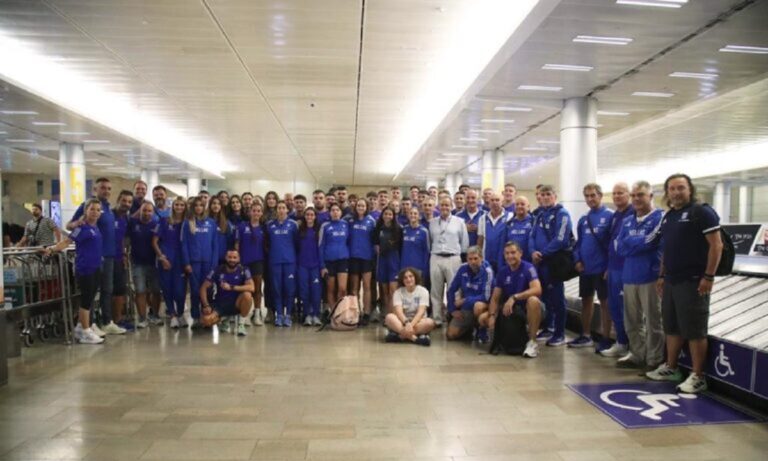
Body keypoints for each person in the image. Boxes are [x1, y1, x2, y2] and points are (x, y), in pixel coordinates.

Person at [646, 174, 722, 394]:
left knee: (694, 329)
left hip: (693, 281)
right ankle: (671, 367)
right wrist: (662, 276)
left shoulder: (702, 213)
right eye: (672, 189)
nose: (676, 192)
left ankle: (698, 376)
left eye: (681, 188)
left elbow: (716, 246)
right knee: (672, 326)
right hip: (671, 280)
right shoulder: (669, 216)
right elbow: (667, 249)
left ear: (690, 190)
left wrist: (708, 276)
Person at [616, 181, 664, 370]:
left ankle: (654, 359)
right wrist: (636, 243)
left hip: (650, 276)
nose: (636, 199)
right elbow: (619, 247)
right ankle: (637, 354)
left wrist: (631, 241)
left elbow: (651, 242)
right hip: (629, 277)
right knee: (632, 321)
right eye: (634, 195)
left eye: (641, 195)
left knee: (653, 321)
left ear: (650, 196)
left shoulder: (660, 218)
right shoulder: (628, 220)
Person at [45, 199, 105, 344]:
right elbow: (67, 242)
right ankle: (85, 331)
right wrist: (51, 249)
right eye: (92, 209)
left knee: (90, 299)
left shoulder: (96, 228)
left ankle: (80, 326)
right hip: (85, 268)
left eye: (98, 210)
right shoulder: (81, 228)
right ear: (86, 211)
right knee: (86, 300)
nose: (95, 212)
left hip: (96, 267)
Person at [68, 177, 116, 337]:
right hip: (89, 262)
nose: (106, 191)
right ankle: (88, 325)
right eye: (103, 187)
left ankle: (100, 322)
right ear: (95, 189)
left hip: (106, 256)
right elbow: (70, 227)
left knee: (104, 290)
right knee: (89, 295)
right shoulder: (86, 206)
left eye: (109, 188)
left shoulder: (107, 208)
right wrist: (77, 224)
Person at [569, 183, 613, 349]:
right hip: (586, 269)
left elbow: (613, 244)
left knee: (605, 303)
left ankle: (606, 338)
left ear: (600, 196)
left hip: (602, 269)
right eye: (587, 196)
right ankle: (586, 335)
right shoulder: (584, 219)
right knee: (586, 301)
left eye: (593, 195)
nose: (590, 199)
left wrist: (610, 266)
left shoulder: (610, 216)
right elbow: (579, 244)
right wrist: (577, 260)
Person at [529, 184, 573, 347]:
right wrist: (533, 252)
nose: (545, 197)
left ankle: (560, 333)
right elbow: (532, 236)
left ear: (555, 196)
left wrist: (543, 253)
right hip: (540, 264)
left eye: (548, 194)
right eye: (543, 194)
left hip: (554, 263)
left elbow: (561, 239)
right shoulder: (540, 214)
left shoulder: (562, 214)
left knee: (557, 299)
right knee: (546, 297)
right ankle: (549, 327)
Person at [484, 241, 544, 359]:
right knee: (483, 318)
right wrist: (492, 316)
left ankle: (532, 342)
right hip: (514, 311)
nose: (510, 256)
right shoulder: (503, 272)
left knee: (533, 300)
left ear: (520, 253)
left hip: (532, 309)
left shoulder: (528, 268)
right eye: (507, 253)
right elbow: (495, 298)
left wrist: (514, 297)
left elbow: (537, 290)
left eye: (513, 252)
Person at [600, 183, 633, 358]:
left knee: (626, 309)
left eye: (621, 193)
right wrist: (608, 266)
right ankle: (621, 342)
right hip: (613, 268)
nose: (617, 196)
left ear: (629, 194)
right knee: (614, 307)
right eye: (614, 193)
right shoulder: (616, 216)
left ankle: (633, 346)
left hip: (626, 269)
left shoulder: (633, 214)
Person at [429, 197, 469, 326]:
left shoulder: (459, 222)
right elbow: (430, 240)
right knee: (436, 290)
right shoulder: (432, 222)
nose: (444, 207)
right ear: (438, 207)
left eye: (447, 205)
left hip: (453, 257)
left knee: (454, 290)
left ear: (451, 206)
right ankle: (437, 318)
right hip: (436, 257)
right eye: (442, 205)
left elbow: (464, 242)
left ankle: (453, 317)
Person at [181, 196, 219, 327]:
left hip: (208, 263)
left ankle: (207, 316)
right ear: (192, 207)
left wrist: (214, 264)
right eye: (196, 205)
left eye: (201, 205)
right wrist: (186, 262)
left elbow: (215, 245)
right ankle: (195, 317)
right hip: (194, 263)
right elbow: (184, 244)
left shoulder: (211, 223)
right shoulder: (188, 223)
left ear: (204, 207)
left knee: (208, 291)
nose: (198, 208)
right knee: (195, 291)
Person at [200, 250, 254, 337]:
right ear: (225, 258)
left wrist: (232, 287)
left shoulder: (244, 270)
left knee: (247, 295)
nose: (232, 260)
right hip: (221, 304)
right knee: (205, 321)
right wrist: (206, 305)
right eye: (229, 257)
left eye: (235, 257)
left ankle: (241, 324)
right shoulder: (217, 270)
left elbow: (252, 287)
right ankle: (224, 319)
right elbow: (203, 287)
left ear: (239, 259)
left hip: (236, 303)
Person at [153, 197, 188, 329]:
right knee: (167, 288)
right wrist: (162, 258)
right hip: (166, 259)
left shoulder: (187, 223)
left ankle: (180, 313)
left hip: (181, 260)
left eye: (182, 205)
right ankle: (172, 315)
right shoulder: (164, 221)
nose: (179, 207)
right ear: (172, 206)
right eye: (176, 205)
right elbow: (154, 242)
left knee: (180, 291)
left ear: (185, 207)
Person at [445, 246, 493, 341]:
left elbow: (486, 296)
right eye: (470, 259)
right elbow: (451, 289)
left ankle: (481, 330)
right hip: (467, 308)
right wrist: (452, 309)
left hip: (484, 306)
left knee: (478, 306)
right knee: (450, 335)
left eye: (475, 258)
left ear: (481, 258)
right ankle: (468, 329)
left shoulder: (488, 271)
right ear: (467, 259)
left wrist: (465, 300)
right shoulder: (462, 269)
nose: (473, 262)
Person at [266, 201, 299, 327]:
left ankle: (288, 314)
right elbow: (267, 243)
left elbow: (297, 242)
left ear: (287, 210)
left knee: (289, 289)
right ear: (276, 210)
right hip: (275, 261)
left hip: (290, 261)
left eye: (283, 208)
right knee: (277, 289)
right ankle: (279, 314)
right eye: (279, 208)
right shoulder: (270, 225)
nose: (281, 210)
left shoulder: (293, 224)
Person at [129, 201, 162, 328]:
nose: (147, 213)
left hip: (154, 263)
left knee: (156, 290)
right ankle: (142, 318)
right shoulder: (132, 223)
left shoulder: (157, 224)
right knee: (140, 291)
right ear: (140, 211)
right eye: (144, 210)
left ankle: (155, 315)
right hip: (137, 263)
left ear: (153, 213)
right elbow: (124, 239)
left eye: (149, 211)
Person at [384, 267, 435, 346]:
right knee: (389, 317)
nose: (408, 279)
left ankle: (400, 336)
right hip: (402, 321)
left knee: (430, 323)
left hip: (418, 321)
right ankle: (415, 338)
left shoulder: (423, 291)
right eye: (405, 278)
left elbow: (421, 312)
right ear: (402, 280)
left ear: (415, 278)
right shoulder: (398, 292)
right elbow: (399, 312)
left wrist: (411, 325)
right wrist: (407, 323)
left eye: (411, 276)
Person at [235, 203, 267, 326]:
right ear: (250, 212)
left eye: (259, 211)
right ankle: (244, 314)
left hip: (258, 261)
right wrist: (237, 261)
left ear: (261, 213)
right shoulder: (242, 226)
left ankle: (257, 314)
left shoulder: (263, 228)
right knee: (245, 289)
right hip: (244, 262)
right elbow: (237, 244)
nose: (256, 213)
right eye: (254, 210)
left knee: (257, 289)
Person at [347, 199, 376, 325]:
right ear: (355, 207)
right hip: (353, 257)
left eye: (363, 205)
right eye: (359, 205)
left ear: (366, 207)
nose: (360, 207)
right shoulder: (350, 221)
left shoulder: (371, 221)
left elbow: (375, 239)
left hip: (367, 258)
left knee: (367, 286)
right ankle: (356, 312)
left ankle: (367, 313)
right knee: (354, 288)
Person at [319, 203, 350, 312]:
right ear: (330, 212)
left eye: (337, 210)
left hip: (343, 261)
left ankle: (340, 312)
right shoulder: (325, 226)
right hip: (329, 262)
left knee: (342, 289)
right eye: (333, 210)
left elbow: (349, 241)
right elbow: (321, 246)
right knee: (330, 289)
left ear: (341, 212)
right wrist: (322, 266)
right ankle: (333, 313)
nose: (335, 212)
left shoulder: (345, 224)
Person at [374, 207, 402, 317]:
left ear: (393, 216)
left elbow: (400, 246)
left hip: (393, 261)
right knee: (384, 291)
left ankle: (394, 314)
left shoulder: (398, 229)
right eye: (385, 214)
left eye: (390, 214)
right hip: (382, 261)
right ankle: (387, 314)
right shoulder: (378, 228)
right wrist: (376, 246)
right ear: (382, 215)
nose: (387, 216)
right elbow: (375, 243)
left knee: (393, 290)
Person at [111, 191, 134, 332]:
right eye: (124, 201)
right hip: (107, 259)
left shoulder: (125, 218)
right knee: (108, 291)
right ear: (118, 200)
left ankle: (118, 319)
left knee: (120, 289)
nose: (126, 204)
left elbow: (123, 239)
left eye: (129, 202)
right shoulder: (108, 215)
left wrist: (124, 253)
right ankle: (109, 321)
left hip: (119, 259)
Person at [297, 208, 323, 326]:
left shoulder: (319, 231)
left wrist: (321, 265)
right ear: (304, 216)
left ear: (315, 217)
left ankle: (316, 315)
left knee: (316, 291)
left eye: (312, 215)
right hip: (302, 265)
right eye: (307, 214)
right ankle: (307, 314)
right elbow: (296, 247)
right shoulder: (300, 231)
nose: (309, 217)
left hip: (315, 266)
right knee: (304, 291)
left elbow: (321, 248)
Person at [477, 193, 509, 273]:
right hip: (486, 257)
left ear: (502, 202)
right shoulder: (482, 218)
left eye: (497, 200)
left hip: (504, 257)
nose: (494, 202)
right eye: (492, 200)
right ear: (489, 203)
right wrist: (478, 256)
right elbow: (480, 239)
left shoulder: (510, 216)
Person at [401, 207, 431, 291]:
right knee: (406, 292)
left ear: (419, 216)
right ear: (408, 215)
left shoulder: (424, 231)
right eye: (411, 213)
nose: (413, 215)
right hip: (405, 267)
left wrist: (425, 270)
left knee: (418, 292)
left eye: (415, 213)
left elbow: (427, 252)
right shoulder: (403, 230)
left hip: (418, 268)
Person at [500, 196, 533, 266]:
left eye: (522, 204)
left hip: (529, 263)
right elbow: (503, 245)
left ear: (528, 207)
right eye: (517, 204)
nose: (519, 206)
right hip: (511, 264)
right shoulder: (508, 224)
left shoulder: (534, 222)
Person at [209, 196, 232, 265]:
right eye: (214, 203)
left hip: (222, 258)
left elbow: (229, 242)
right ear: (210, 205)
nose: (216, 206)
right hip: (208, 257)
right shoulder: (205, 221)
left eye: (218, 204)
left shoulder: (226, 223)